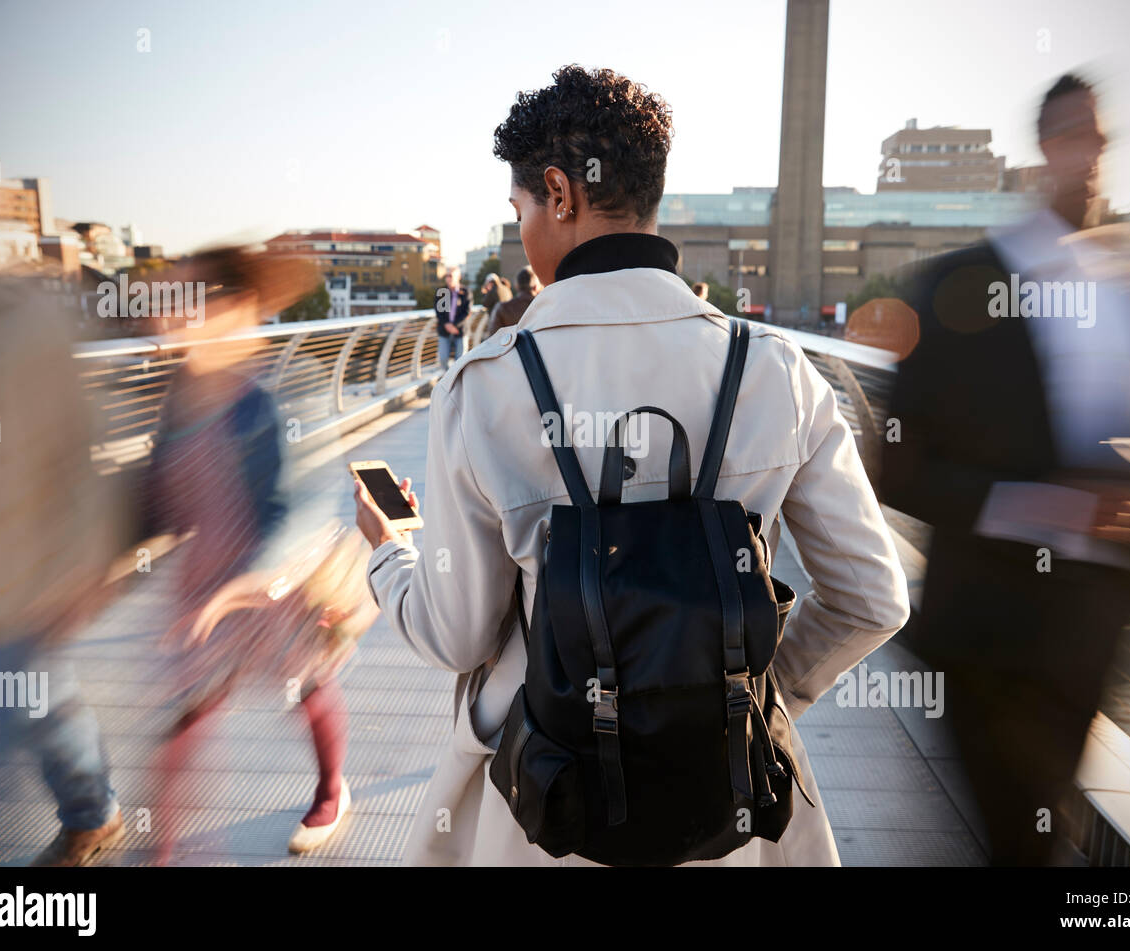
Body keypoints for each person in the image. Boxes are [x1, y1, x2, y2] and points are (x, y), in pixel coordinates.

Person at [354, 65, 909, 866]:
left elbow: (458, 630)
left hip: (546, 802)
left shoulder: (490, 383)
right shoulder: (775, 369)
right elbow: (871, 599)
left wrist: (387, 555)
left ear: (561, 193)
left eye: (519, 214)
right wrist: (728, 691)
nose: (524, 237)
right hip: (728, 804)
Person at [879, 73, 1130, 865]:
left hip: (1093, 633)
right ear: (1046, 145)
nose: (1093, 156)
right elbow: (900, 468)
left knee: (1037, 835)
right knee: (1027, 838)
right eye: (1077, 135)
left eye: (1103, 138)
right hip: (989, 631)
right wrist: (1053, 507)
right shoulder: (957, 286)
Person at [143, 249, 374, 861]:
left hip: (277, 580)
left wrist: (240, 586)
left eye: (188, 302)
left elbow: (284, 508)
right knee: (189, 707)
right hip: (206, 582)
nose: (170, 316)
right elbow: (159, 492)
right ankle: (162, 849)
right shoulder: (179, 393)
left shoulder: (262, 400)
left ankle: (331, 787)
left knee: (307, 686)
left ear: (233, 310)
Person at [0, 147, 129, 864]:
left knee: (35, 706)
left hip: (19, 572)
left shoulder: (19, 316)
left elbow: (82, 444)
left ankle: (93, 812)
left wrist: (82, 564)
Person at [435, 266, 472, 369]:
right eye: (446, 276)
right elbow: (439, 312)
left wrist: (454, 325)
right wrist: (447, 325)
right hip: (444, 330)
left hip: (460, 330)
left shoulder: (465, 292)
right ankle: (448, 381)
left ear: (458, 277)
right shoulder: (442, 292)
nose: (448, 278)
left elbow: (467, 312)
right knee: (443, 359)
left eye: (450, 276)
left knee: (461, 360)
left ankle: (458, 382)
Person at [487, 264, 540, 335]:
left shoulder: (502, 308)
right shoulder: (546, 306)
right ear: (536, 287)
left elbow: (493, 338)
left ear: (517, 286)